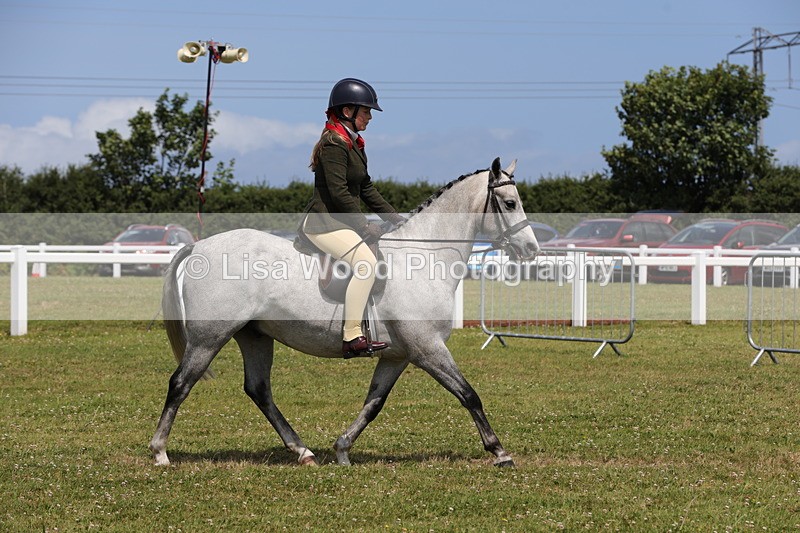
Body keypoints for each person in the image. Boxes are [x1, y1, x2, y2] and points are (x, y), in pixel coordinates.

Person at [300, 78, 405, 358]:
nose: (370, 117)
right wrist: (364, 225)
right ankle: (352, 336)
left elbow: (366, 187)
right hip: (324, 223)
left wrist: (395, 217)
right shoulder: (334, 143)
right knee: (366, 264)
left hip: (340, 222)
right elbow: (339, 193)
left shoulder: (353, 142)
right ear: (348, 111)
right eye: (366, 111)